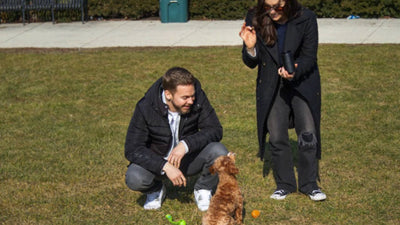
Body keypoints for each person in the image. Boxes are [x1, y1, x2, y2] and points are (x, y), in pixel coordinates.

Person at [239, 0, 326, 201]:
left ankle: (309, 184)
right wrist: (250, 48)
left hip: (302, 82)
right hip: (271, 85)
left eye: (276, 6)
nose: (272, 11)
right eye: (267, 6)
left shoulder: (306, 18)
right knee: (277, 136)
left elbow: (309, 56)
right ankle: (285, 184)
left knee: (308, 134)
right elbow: (251, 62)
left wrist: (294, 70)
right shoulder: (255, 17)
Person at [124, 67, 228, 211]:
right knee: (134, 177)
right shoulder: (146, 107)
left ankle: (203, 188)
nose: (191, 101)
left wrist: (185, 145)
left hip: (188, 159)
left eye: (192, 96)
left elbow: (215, 129)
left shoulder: (197, 98)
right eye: (185, 98)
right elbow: (132, 149)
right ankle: (155, 189)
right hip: (158, 164)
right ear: (168, 94)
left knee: (219, 151)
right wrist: (164, 166)